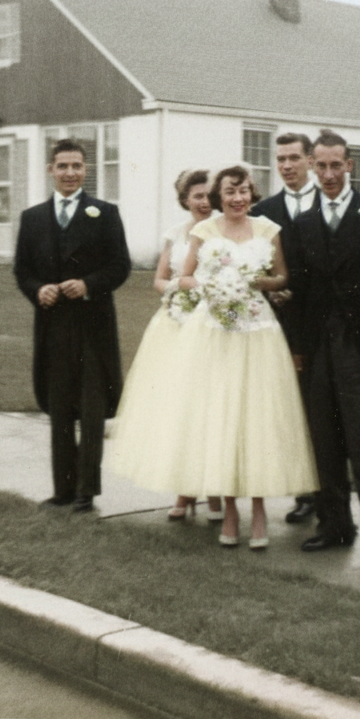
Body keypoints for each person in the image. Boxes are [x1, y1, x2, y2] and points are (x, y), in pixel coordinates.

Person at [114, 164, 317, 549]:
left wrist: (254, 281)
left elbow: (281, 277)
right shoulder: (203, 231)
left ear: (251, 193)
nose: (237, 198)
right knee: (218, 416)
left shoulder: (267, 230)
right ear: (218, 198)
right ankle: (229, 509)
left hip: (256, 332)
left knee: (253, 418)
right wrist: (216, 285)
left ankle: (258, 511)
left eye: (243, 191)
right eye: (229, 192)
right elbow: (184, 277)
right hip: (214, 332)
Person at [289, 129, 360, 560]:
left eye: (337, 165)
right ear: (312, 167)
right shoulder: (303, 222)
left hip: (359, 348)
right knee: (323, 438)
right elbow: (299, 290)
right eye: (322, 166)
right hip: (318, 347)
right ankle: (335, 525)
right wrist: (299, 347)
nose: (330, 174)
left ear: (350, 165)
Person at [14, 139, 130, 512]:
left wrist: (87, 285)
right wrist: (38, 290)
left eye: (77, 166)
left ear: (86, 170)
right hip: (54, 328)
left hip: (93, 327)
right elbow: (22, 271)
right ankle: (62, 489)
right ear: (50, 170)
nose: (70, 173)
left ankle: (86, 491)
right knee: (60, 408)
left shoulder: (105, 213)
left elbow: (120, 266)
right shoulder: (32, 218)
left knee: (92, 411)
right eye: (62, 166)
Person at [108, 169, 223, 522]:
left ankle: (216, 491)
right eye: (197, 196)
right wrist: (177, 294)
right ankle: (184, 491)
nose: (203, 202)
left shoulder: (225, 232)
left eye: (208, 195)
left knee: (212, 411)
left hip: (215, 329)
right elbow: (159, 279)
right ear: (185, 200)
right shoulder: (175, 235)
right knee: (180, 411)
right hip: (175, 327)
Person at [249, 132, 321, 524]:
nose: (287, 165)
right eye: (281, 159)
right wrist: (272, 291)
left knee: (321, 412)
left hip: (321, 322)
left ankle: (328, 492)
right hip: (280, 325)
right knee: (289, 410)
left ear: (310, 160)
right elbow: (258, 266)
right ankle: (304, 492)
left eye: (294, 157)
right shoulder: (265, 211)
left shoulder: (326, 203)